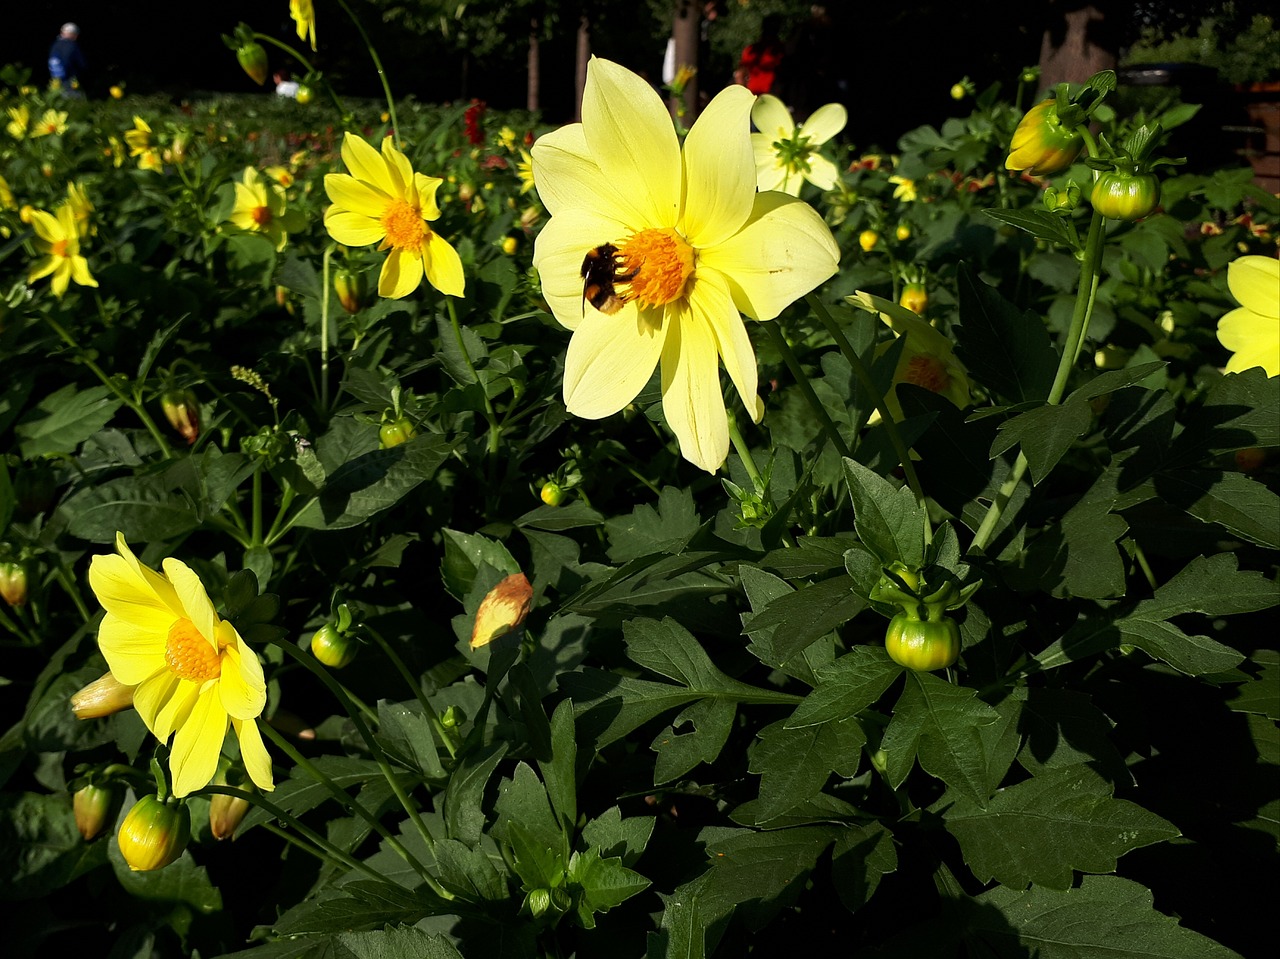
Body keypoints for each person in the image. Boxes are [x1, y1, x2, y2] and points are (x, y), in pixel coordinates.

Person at [735, 14, 784, 96]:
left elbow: (739, 75)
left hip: (762, 97)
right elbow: (740, 74)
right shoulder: (780, 50)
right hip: (762, 98)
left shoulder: (751, 50)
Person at [48, 22, 86, 92]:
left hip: (55, 80)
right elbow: (82, 64)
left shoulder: (55, 45)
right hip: (69, 79)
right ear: (73, 34)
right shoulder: (72, 45)